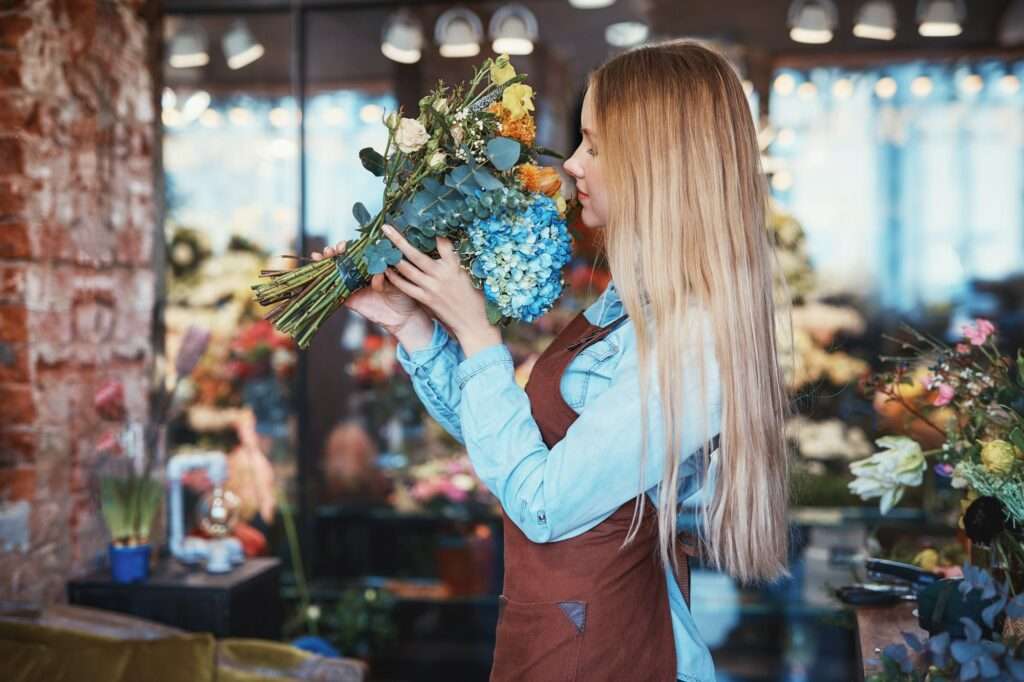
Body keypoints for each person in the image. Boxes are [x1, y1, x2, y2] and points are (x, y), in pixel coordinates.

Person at [313, 39, 792, 682]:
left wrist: (477, 332)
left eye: (593, 145)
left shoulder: (694, 340)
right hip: (554, 632)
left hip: (610, 651)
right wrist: (415, 327)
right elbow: (519, 448)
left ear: (657, 161)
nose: (571, 163)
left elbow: (542, 505)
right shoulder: (630, 301)